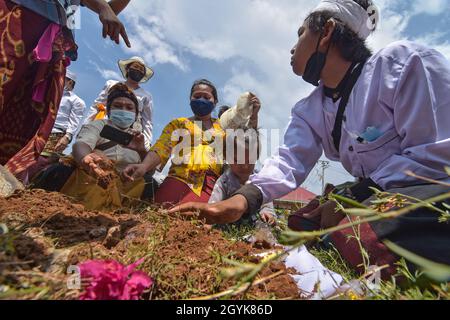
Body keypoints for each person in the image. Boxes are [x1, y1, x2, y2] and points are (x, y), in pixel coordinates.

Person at [169, 0, 450, 279]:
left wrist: (353, 196)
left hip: (432, 187)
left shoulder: (403, 64)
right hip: (378, 193)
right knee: (302, 222)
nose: (293, 47)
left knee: (367, 231)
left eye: (300, 33)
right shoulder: (311, 109)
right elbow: (288, 161)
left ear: (326, 33)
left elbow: (435, 157)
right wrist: (237, 203)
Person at [0, 0, 132, 180]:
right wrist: (103, 7)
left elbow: (111, 11)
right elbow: (106, 9)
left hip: (56, 29)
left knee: (30, 111)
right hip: (20, 13)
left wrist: (105, 8)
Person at [47, 83, 153, 210]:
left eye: (129, 107)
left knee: (151, 183)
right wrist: (86, 158)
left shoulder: (139, 138)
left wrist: (141, 151)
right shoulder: (98, 125)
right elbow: (81, 145)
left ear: (136, 114)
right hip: (93, 178)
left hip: (124, 189)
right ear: (109, 110)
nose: (124, 110)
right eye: (118, 106)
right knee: (60, 169)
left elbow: (149, 171)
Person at [123, 79, 226, 207]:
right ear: (190, 100)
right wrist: (144, 166)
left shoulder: (224, 129)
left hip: (210, 185)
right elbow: (161, 148)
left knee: (199, 221)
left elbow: (240, 154)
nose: (201, 100)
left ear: (215, 101)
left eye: (206, 97)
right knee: (162, 213)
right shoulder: (178, 124)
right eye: (197, 96)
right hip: (178, 179)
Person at [85, 56, 154, 150]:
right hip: (105, 127)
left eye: (141, 69)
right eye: (135, 67)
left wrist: (147, 143)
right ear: (127, 69)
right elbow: (96, 106)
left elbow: (147, 122)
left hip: (131, 133)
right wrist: (86, 126)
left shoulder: (146, 96)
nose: (138, 70)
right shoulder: (111, 84)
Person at [209, 130, 276, 226]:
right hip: (229, 227)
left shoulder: (259, 181)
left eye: (250, 160)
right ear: (227, 157)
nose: (244, 166)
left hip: (256, 227)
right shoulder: (224, 182)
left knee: (265, 229)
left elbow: (267, 204)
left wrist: (268, 214)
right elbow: (213, 207)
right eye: (238, 160)